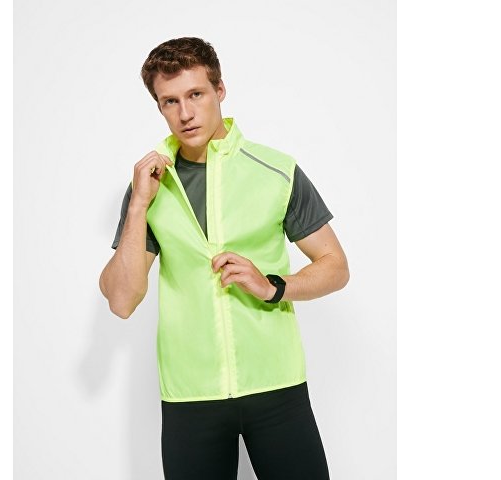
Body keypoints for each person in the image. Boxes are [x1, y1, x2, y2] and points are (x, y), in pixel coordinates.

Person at [99, 37, 349, 480]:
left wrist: (273, 286)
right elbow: (121, 300)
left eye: (196, 94)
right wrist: (138, 205)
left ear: (220, 90)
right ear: (159, 107)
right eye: (170, 101)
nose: (185, 113)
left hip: (276, 386)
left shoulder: (276, 171)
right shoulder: (149, 185)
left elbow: (335, 265)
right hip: (190, 396)